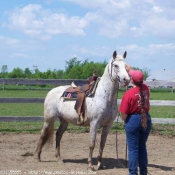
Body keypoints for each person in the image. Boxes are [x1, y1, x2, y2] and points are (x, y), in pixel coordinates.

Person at [119, 66, 152, 175]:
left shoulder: (129, 93)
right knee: (142, 146)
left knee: (133, 149)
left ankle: (133, 173)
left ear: (132, 80)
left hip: (133, 120)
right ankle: (143, 172)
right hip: (146, 118)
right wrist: (130, 69)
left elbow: (123, 113)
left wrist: (125, 122)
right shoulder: (146, 89)